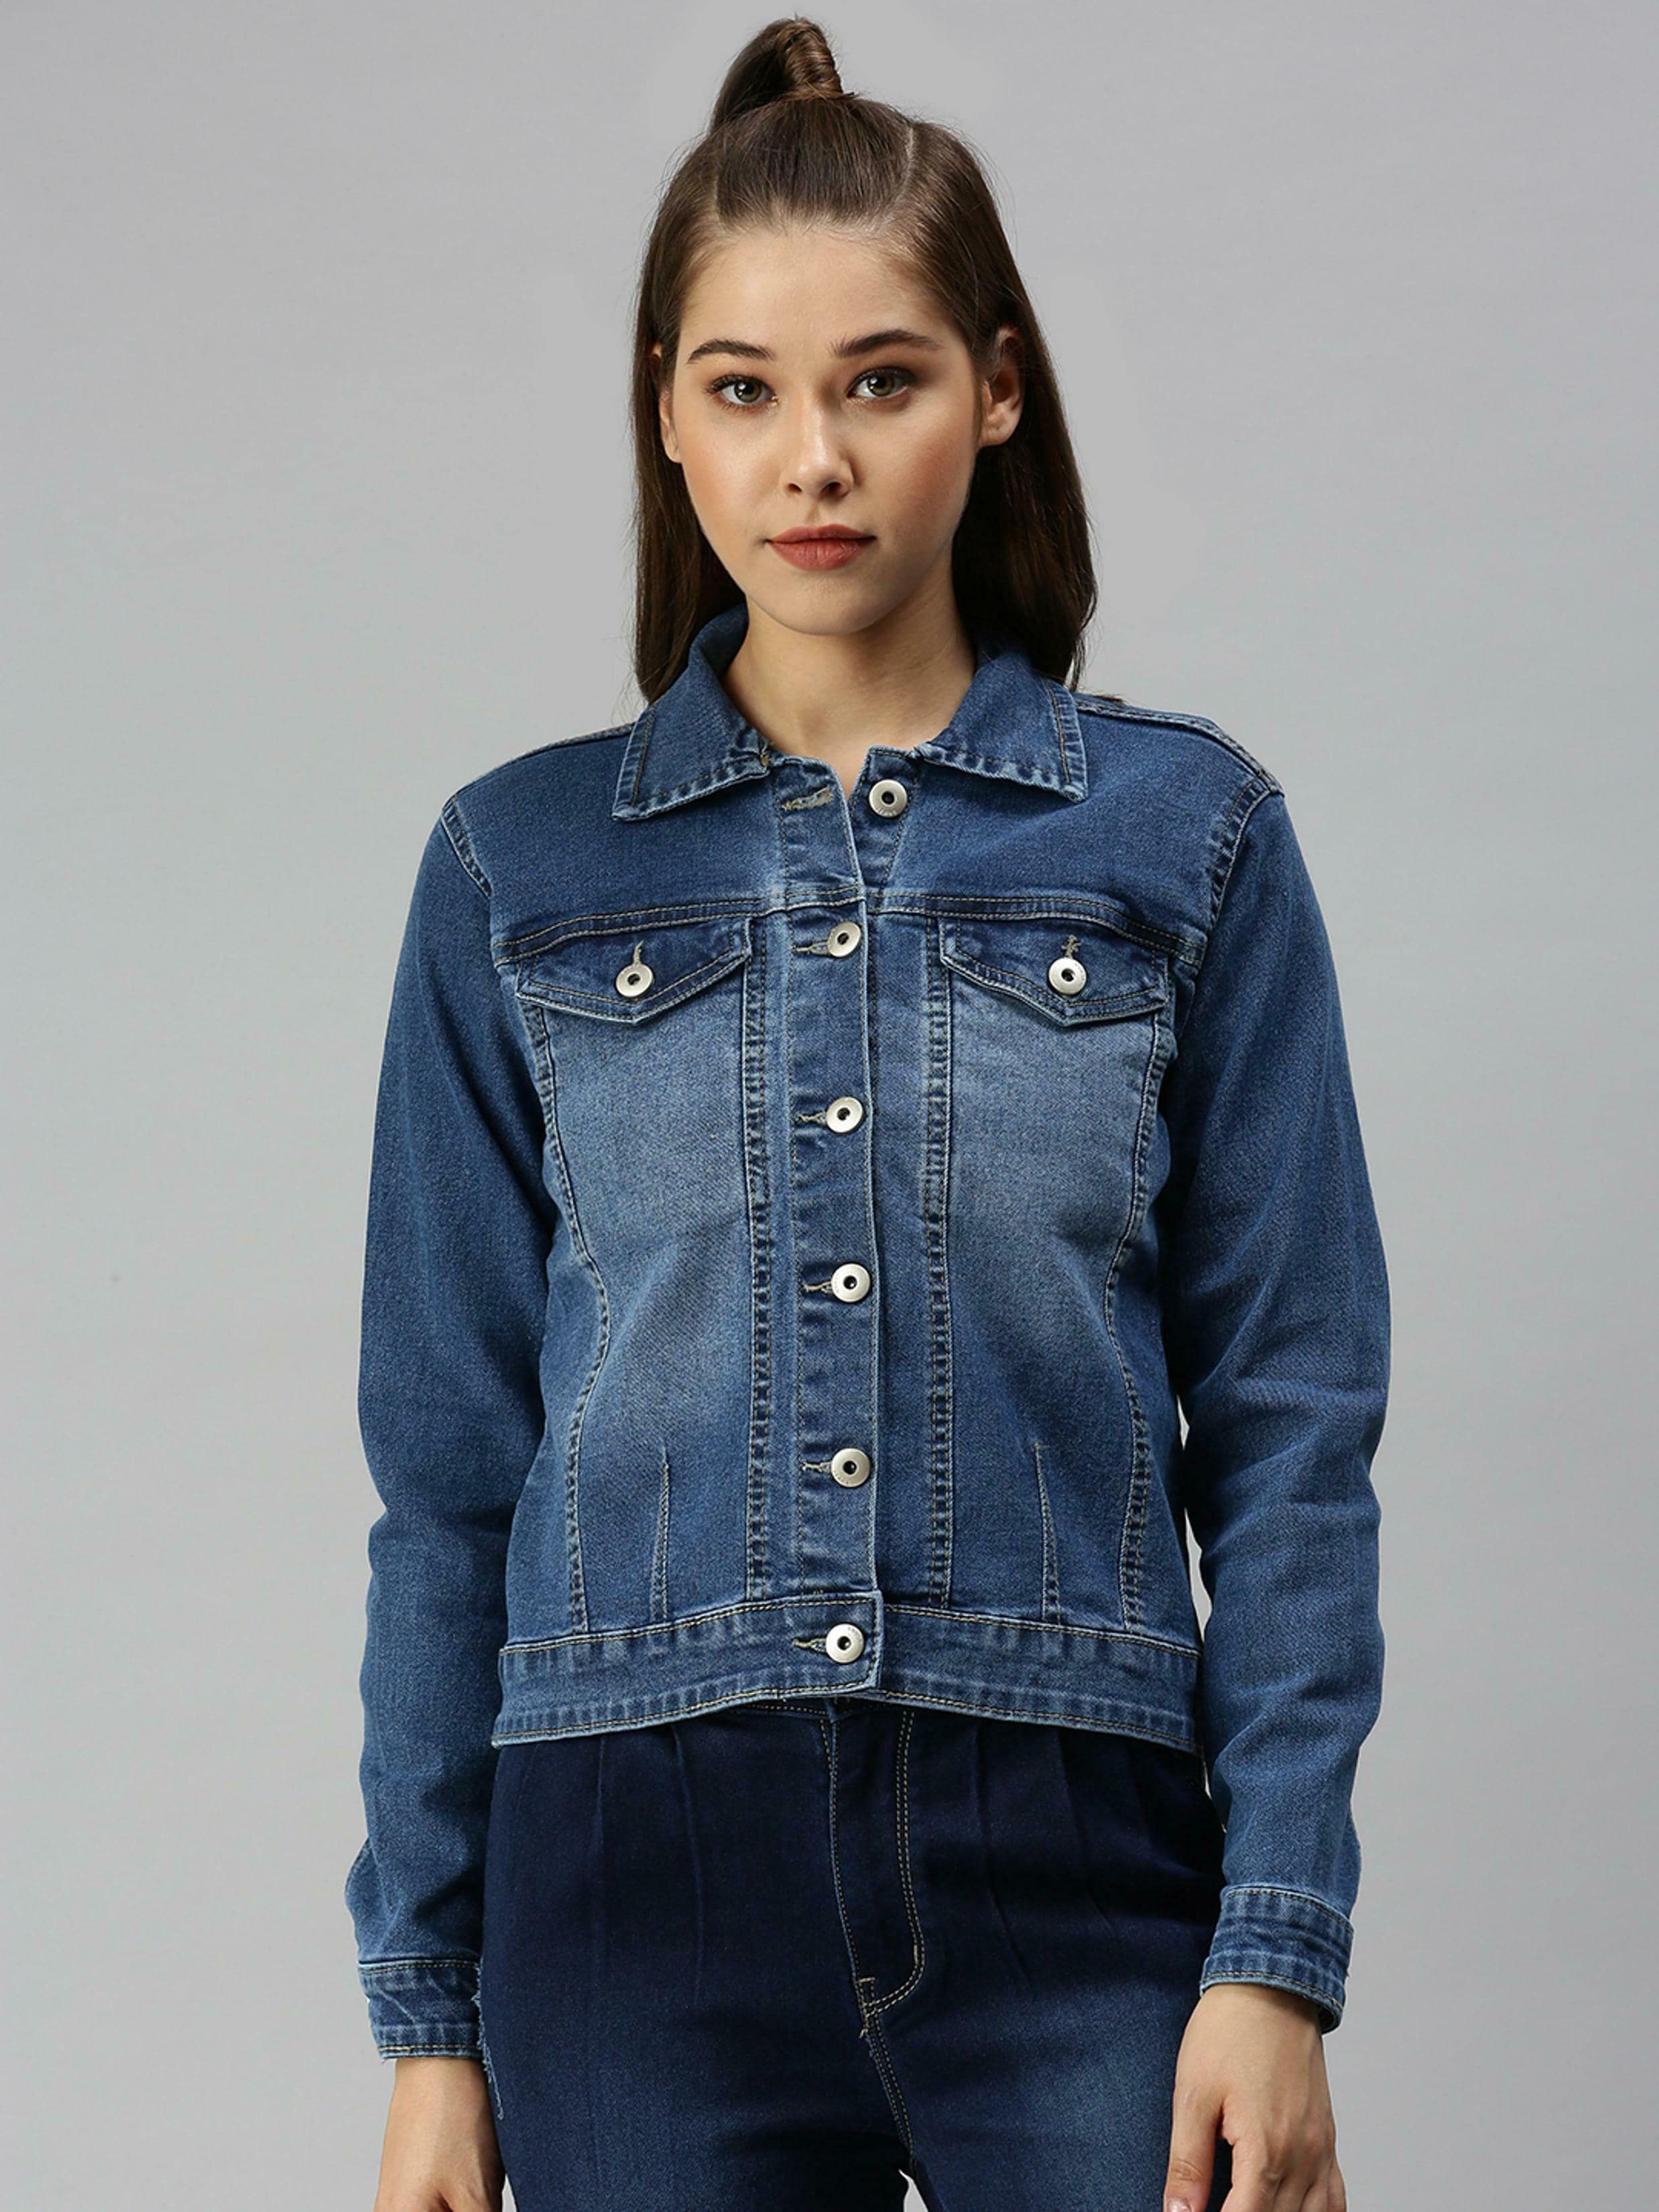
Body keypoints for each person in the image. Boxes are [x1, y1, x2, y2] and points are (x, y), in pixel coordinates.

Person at [344, 17, 1388, 2212]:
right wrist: (430, 2021)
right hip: (628, 1893)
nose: (810, 459)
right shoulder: (515, 869)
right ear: (665, 411)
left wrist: (1272, 1951)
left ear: (994, 390)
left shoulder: (1186, 838)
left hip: (1079, 1854)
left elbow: (1291, 1425)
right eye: (743, 389)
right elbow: (443, 1484)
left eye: (880, 381)